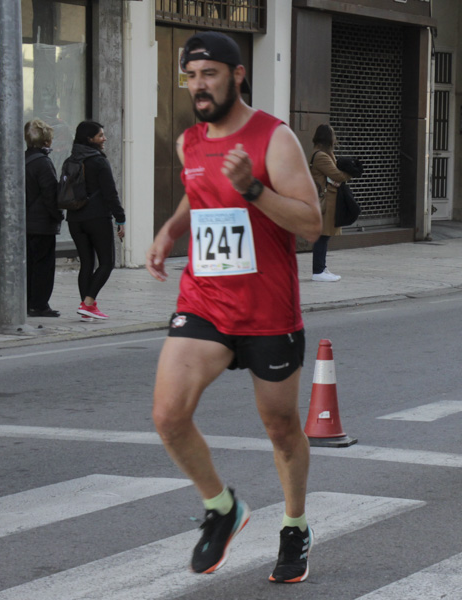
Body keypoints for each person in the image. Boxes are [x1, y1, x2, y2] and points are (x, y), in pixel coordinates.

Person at [144, 32, 322, 583]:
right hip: (205, 301)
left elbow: (313, 226)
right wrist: (172, 229)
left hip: (268, 309)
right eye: (191, 76)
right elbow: (198, 194)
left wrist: (254, 192)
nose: (198, 86)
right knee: (168, 416)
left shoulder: (275, 138)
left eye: (209, 75)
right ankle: (222, 508)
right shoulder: (189, 141)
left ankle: (295, 525)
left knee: (281, 426)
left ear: (237, 75)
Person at [66, 120, 125, 321]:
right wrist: (121, 218)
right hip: (97, 217)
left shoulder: (71, 160)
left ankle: (86, 308)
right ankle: (88, 303)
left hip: (75, 219)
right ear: (90, 139)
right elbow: (110, 193)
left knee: (87, 264)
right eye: (100, 135)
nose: (104, 138)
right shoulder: (99, 161)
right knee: (107, 262)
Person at [24, 118, 64, 317]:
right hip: (41, 224)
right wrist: (58, 216)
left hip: (25, 223)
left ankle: (28, 301)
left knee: (29, 264)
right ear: (47, 142)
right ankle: (39, 304)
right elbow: (50, 195)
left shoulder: (23, 160)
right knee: (43, 266)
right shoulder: (43, 163)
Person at [307, 124, 350, 282]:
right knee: (323, 236)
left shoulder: (324, 154)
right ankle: (318, 271)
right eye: (333, 135)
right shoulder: (321, 156)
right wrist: (349, 173)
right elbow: (336, 174)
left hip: (326, 199)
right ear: (327, 138)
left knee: (324, 235)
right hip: (325, 201)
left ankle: (322, 268)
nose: (335, 138)